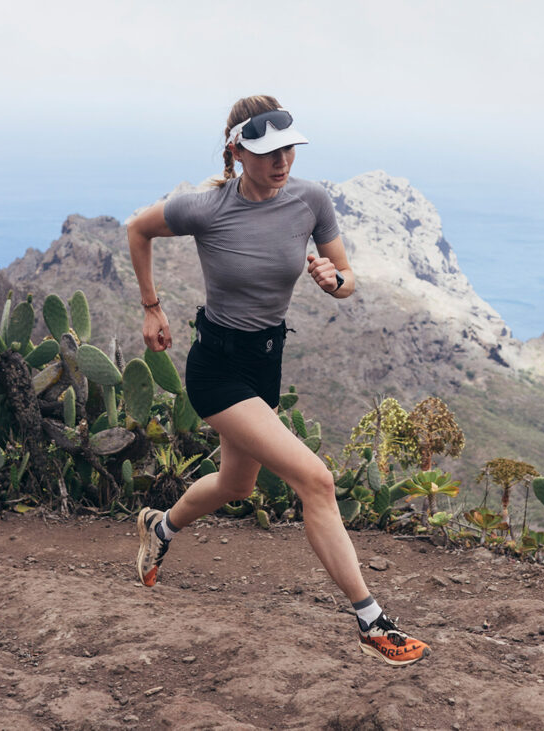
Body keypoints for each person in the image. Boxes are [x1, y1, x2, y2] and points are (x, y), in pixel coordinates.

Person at [127, 95, 430, 666]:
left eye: (289, 148)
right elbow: (137, 230)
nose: (282, 161)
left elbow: (348, 282)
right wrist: (151, 306)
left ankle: (159, 527)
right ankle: (371, 621)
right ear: (237, 151)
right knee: (315, 479)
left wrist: (330, 278)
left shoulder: (310, 200)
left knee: (236, 486)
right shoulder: (205, 207)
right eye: (267, 151)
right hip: (216, 368)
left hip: (265, 363)